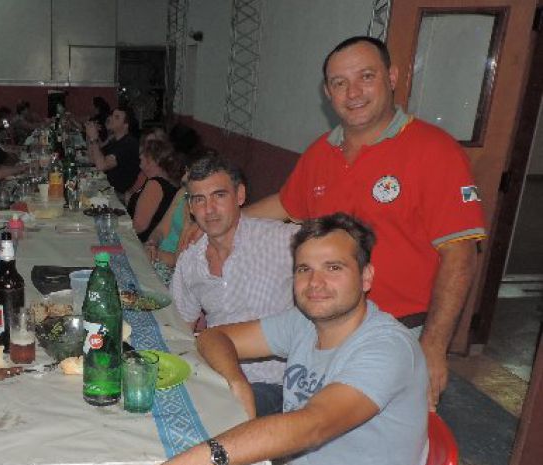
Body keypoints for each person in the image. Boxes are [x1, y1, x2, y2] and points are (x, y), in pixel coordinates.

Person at [182, 36, 486, 410]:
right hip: (326, 324)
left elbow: (460, 255)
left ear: (391, 77)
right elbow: (285, 203)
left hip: (400, 330)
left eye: (366, 77)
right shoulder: (321, 153)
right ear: (327, 92)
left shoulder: (434, 151)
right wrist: (218, 220)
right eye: (340, 83)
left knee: (373, 445)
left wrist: (435, 347)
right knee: (318, 434)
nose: (353, 92)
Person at [138, 212, 428, 465]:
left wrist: (202, 459)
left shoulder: (385, 348)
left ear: (367, 277)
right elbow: (213, 337)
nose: (316, 283)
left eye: (334, 267)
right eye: (304, 269)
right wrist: (238, 380)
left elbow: (312, 424)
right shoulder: (305, 323)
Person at [170, 155, 299, 418]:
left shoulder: (281, 240)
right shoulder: (191, 260)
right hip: (215, 377)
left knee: (211, 420)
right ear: (191, 208)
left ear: (240, 195)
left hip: (273, 385)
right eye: (199, 200)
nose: (210, 210)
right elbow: (180, 328)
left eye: (219, 195)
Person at [127, 137, 181, 243]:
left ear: (151, 160)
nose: (140, 156)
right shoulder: (167, 181)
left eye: (143, 153)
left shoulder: (155, 185)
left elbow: (139, 227)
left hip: (141, 244)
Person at [84, 105, 140, 195]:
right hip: (107, 188)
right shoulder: (115, 140)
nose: (111, 119)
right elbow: (93, 159)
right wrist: (90, 135)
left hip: (119, 195)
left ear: (126, 125)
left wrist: (94, 139)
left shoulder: (128, 143)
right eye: (112, 116)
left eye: (116, 117)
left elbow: (102, 166)